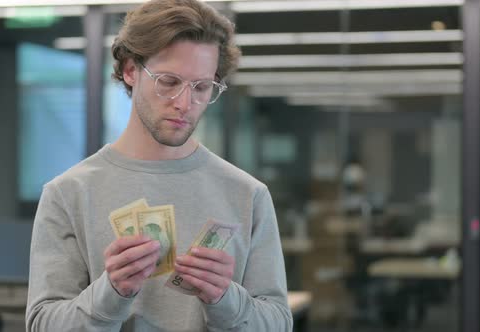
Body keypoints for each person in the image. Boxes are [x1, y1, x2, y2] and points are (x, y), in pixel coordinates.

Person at [25, 0, 292, 330]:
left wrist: (226, 299)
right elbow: (41, 325)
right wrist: (111, 293)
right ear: (130, 70)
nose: (185, 103)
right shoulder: (68, 193)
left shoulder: (248, 195)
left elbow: (279, 322)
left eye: (202, 87)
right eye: (168, 81)